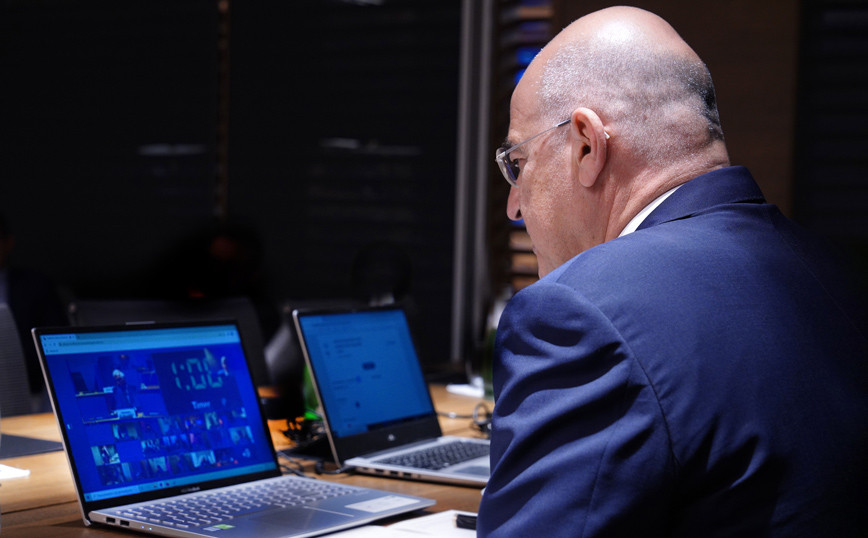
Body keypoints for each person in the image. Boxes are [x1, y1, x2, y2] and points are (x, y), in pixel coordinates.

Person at [477, 6, 868, 537]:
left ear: (587, 144)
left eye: (518, 165)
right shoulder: (838, 271)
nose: (513, 206)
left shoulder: (582, 312)